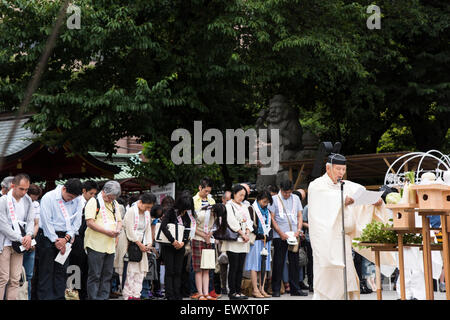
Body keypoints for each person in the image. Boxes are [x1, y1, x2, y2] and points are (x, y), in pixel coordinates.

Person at [308, 153, 393, 300]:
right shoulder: (317, 185)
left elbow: (361, 193)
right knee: (328, 283)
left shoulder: (345, 185)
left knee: (347, 282)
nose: (341, 173)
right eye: (338, 169)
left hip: (344, 242)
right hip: (327, 243)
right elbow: (325, 202)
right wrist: (341, 200)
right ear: (328, 168)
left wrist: (375, 202)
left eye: (343, 169)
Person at [36, 178, 83, 300]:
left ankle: (59, 297)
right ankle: (45, 297)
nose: (71, 199)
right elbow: (46, 222)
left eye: (74, 197)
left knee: (61, 270)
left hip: (65, 238)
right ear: (64, 189)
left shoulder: (78, 200)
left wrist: (66, 239)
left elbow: (77, 222)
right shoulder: (49, 197)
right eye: (69, 196)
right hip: (48, 236)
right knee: (46, 270)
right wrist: (55, 240)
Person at [84, 180, 122, 300]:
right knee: (95, 274)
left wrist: (117, 231)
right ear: (104, 192)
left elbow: (119, 221)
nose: (110, 200)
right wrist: (107, 232)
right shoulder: (93, 201)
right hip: (95, 244)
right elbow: (89, 222)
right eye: (109, 197)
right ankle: (93, 298)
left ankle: (103, 297)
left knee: (107, 275)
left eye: (113, 198)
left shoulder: (115, 204)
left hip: (110, 245)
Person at [268, 180, 306, 297]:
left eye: (289, 192)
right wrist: (280, 232)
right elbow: (272, 218)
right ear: (281, 189)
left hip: (294, 235)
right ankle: (276, 289)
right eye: (285, 192)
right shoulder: (274, 199)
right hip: (280, 235)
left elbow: (299, 215)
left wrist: (298, 230)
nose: (287, 195)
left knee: (294, 261)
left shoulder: (295, 198)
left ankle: (295, 289)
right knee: (279, 261)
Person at [0, 174, 35, 300]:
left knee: (15, 278)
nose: (24, 192)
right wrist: (21, 238)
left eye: (26, 189)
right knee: (2, 278)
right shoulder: (3, 200)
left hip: (20, 244)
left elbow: (30, 220)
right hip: (4, 243)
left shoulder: (27, 200)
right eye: (21, 189)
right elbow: (3, 225)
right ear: (13, 186)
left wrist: (29, 235)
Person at [116, 193, 155, 300]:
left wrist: (149, 244)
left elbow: (147, 229)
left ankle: (136, 295)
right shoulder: (131, 211)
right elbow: (129, 230)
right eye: (147, 207)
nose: (147, 209)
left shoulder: (147, 214)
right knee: (128, 271)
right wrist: (140, 244)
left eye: (150, 208)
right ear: (141, 202)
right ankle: (128, 295)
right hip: (128, 244)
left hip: (141, 245)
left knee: (140, 272)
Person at [220, 184, 251, 300]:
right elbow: (231, 221)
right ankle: (232, 292)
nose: (242, 197)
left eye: (244, 195)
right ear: (234, 194)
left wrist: (247, 232)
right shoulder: (229, 205)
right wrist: (242, 233)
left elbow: (249, 221)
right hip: (234, 241)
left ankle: (239, 290)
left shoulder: (244, 206)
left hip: (243, 241)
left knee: (240, 267)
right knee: (233, 266)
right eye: (240, 195)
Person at [70, 180, 98, 300]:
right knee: (74, 268)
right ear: (83, 191)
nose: (93, 197)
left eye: (94, 194)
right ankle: (72, 295)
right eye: (91, 194)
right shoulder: (77, 202)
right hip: (76, 239)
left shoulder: (93, 204)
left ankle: (84, 294)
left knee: (87, 268)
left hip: (89, 239)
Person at [159, 196, 191, 300]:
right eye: (185, 208)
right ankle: (169, 294)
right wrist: (173, 240)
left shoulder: (186, 215)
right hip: (168, 245)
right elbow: (163, 227)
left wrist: (183, 242)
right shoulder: (171, 211)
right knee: (170, 271)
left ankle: (177, 294)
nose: (186, 210)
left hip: (180, 246)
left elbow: (187, 229)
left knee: (178, 271)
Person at [245, 189, 273, 298]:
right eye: (264, 201)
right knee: (254, 265)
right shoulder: (252, 209)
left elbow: (270, 225)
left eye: (267, 202)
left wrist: (268, 237)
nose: (265, 204)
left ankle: (262, 288)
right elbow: (251, 225)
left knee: (264, 265)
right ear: (259, 199)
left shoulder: (267, 211)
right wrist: (260, 235)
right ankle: (255, 289)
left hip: (265, 241)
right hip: (256, 240)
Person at [192, 203, 222, 300]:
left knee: (207, 268)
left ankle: (206, 293)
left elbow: (214, 228)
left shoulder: (217, 216)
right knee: (198, 269)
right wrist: (204, 236)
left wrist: (209, 236)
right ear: (213, 211)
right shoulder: (201, 214)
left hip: (208, 241)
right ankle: (200, 293)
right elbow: (193, 227)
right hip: (197, 240)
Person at [23, 184, 41, 300]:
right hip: (17, 241)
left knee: (29, 275)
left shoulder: (36, 205)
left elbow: (36, 224)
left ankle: (27, 297)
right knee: (13, 276)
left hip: (30, 241)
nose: (33, 201)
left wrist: (31, 238)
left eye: (35, 198)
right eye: (32, 198)